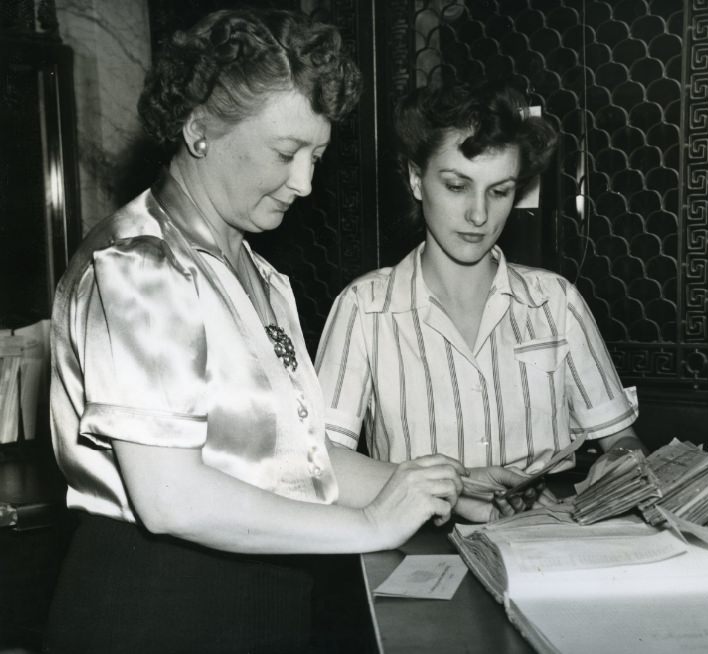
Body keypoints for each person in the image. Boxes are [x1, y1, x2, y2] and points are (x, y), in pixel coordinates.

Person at [45, 10, 524, 654]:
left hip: (263, 600)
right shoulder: (140, 264)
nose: (304, 182)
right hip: (157, 609)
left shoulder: (261, 275)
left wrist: (432, 486)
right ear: (199, 129)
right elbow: (170, 499)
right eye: (285, 152)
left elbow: (294, 460)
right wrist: (372, 523)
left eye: (316, 156)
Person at [316, 81, 647, 521]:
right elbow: (317, 465)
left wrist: (618, 465)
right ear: (417, 179)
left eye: (499, 191)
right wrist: (455, 491)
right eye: (457, 186)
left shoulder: (555, 302)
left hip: (546, 539)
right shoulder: (364, 308)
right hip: (414, 546)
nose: (479, 215)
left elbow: (622, 442)